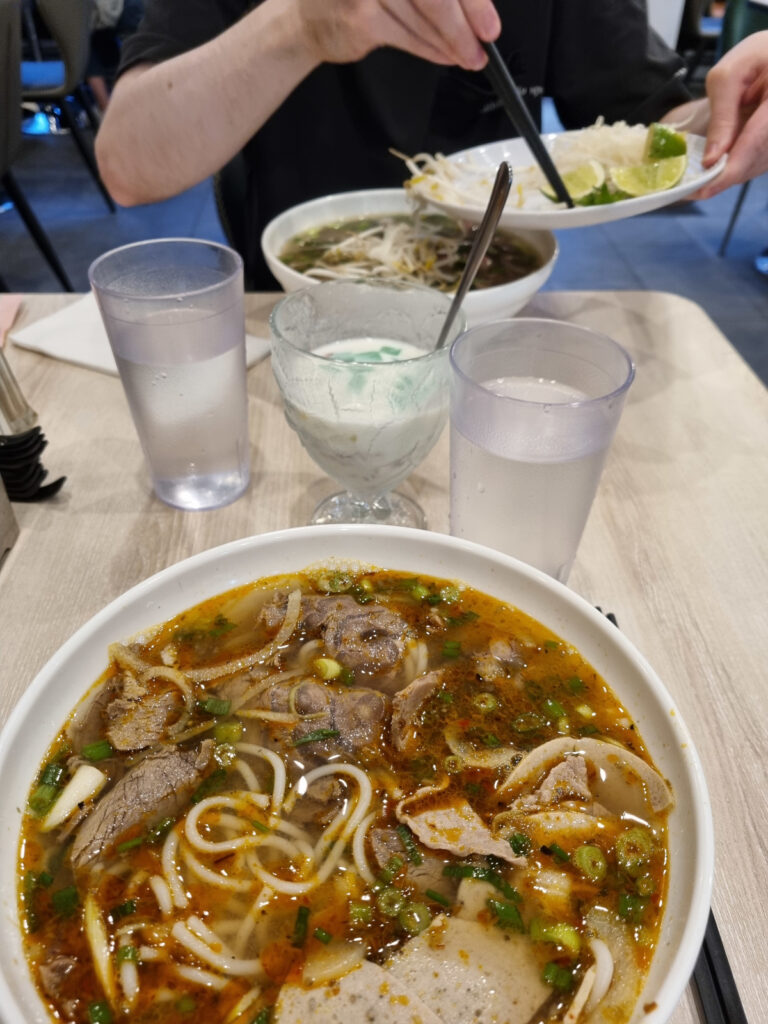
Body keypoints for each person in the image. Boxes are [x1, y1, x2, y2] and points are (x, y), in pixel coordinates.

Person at [92, 1, 708, 286]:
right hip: (291, 311)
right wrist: (302, 25)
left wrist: (738, 114)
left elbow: (662, 131)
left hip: (483, 306)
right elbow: (129, 165)